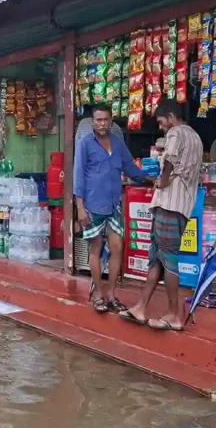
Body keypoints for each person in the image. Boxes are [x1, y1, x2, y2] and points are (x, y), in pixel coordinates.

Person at [120, 100, 203, 331]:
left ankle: (174, 315)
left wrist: (163, 180)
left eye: (161, 121)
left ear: (171, 117)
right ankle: (140, 308)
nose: (161, 126)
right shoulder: (196, 137)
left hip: (170, 204)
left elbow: (170, 161)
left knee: (168, 258)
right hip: (180, 205)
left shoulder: (176, 133)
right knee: (157, 257)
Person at [73, 104, 155, 314]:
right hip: (93, 204)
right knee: (96, 248)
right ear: (93, 122)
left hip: (113, 204)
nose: (102, 124)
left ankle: (111, 294)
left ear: (111, 121)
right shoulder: (84, 144)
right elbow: (78, 176)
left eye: (106, 120)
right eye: (98, 120)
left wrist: (150, 179)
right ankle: (98, 295)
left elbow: (130, 167)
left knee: (117, 247)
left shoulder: (117, 143)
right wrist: (80, 207)